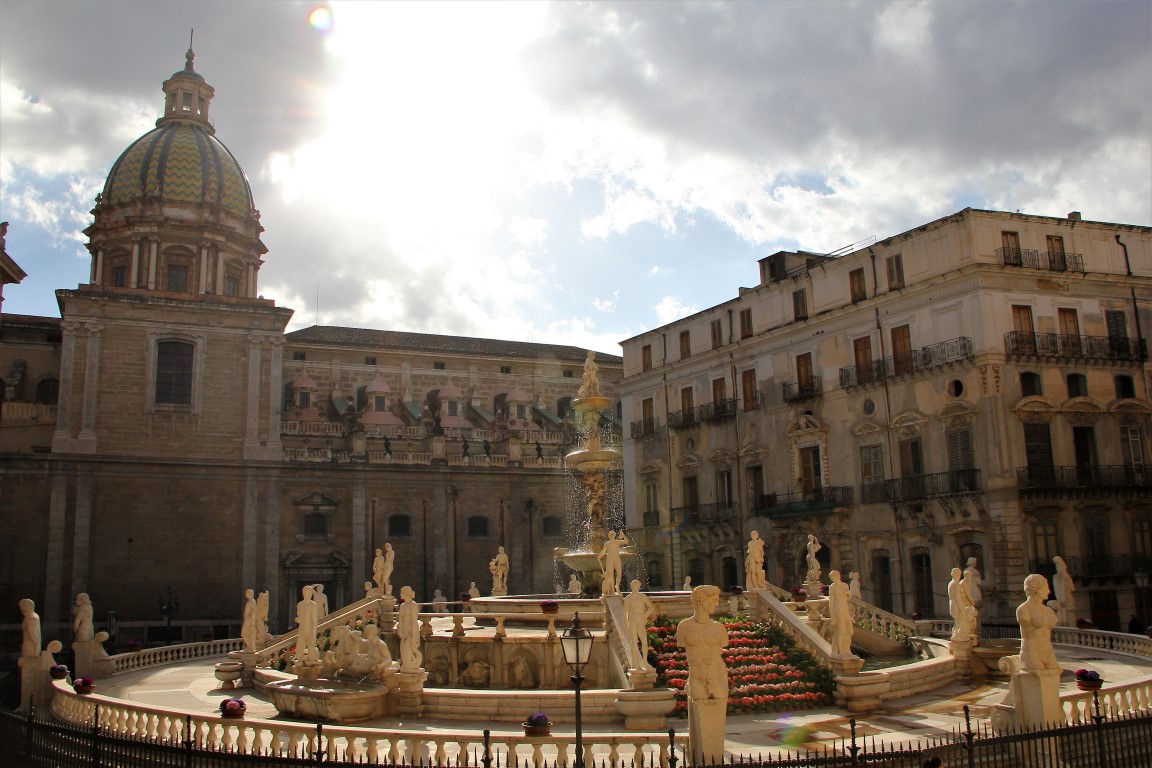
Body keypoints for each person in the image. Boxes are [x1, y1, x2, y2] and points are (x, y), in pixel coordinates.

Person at [1017, 573, 1059, 671]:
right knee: (1037, 679)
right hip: (1032, 653)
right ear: (1036, 588)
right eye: (1046, 588)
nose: (1049, 591)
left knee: (1053, 680)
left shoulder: (1048, 611)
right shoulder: (1023, 609)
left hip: (1048, 652)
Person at [624, 580, 655, 670]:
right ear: (633, 587)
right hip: (632, 621)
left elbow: (651, 607)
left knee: (644, 642)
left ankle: (645, 662)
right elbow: (625, 613)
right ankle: (636, 664)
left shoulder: (642, 597)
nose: (638, 588)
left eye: (638, 586)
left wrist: (645, 616)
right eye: (637, 586)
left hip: (640, 621)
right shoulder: (628, 598)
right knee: (634, 643)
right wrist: (626, 625)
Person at [828, 571, 853, 656]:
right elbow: (831, 602)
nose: (832, 579)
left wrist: (848, 594)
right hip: (837, 608)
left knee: (849, 629)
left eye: (832, 577)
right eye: (831, 578)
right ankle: (840, 650)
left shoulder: (844, 585)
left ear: (837, 576)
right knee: (841, 630)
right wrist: (832, 617)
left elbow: (849, 597)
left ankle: (847, 649)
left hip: (845, 607)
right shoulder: (832, 587)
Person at [398, 585, 422, 671]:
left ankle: (410, 667)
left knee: (408, 651)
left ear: (406, 593)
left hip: (411, 631)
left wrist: (414, 635)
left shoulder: (413, 605)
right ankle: (406, 666)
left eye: (401, 593)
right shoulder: (402, 605)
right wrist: (400, 631)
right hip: (404, 631)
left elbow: (414, 621)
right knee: (403, 652)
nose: (400, 594)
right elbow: (400, 619)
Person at [948, 567, 974, 642]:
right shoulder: (956, 584)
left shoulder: (951, 583)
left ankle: (958, 637)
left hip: (952, 605)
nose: (959, 576)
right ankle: (961, 640)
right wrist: (962, 609)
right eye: (958, 574)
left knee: (958, 624)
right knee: (961, 623)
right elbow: (957, 598)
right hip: (956, 605)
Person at [599, 530, 628, 595]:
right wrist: (600, 556)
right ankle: (612, 590)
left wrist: (623, 535)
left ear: (615, 535)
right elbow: (603, 551)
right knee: (610, 575)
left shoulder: (617, 542)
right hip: (609, 560)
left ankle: (617, 586)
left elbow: (626, 541)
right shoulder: (607, 543)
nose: (611, 535)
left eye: (613, 534)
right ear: (608, 536)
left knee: (619, 574)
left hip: (617, 559)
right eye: (610, 534)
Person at [296, 585, 319, 661]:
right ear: (303, 593)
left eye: (309, 593)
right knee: (299, 649)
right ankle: (300, 660)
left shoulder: (313, 605)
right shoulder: (300, 605)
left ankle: (312, 661)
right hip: (302, 629)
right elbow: (299, 616)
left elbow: (314, 620)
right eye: (306, 592)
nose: (307, 594)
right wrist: (297, 619)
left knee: (311, 649)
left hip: (310, 629)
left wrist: (313, 632)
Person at [1052, 556, 1076, 627]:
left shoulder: (1066, 577)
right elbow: (1072, 588)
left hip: (1068, 600)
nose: (1057, 566)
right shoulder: (1056, 577)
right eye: (1056, 564)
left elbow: (1072, 588)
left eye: (1057, 563)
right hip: (1062, 602)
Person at [241, 589, 258, 653]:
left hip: (250, 619)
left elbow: (254, 611)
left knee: (244, 633)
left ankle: (250, 647)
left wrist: (253, 622)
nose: (246, 594)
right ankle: (250, 647)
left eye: (247, 593)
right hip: (248, 619)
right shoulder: (250, 601)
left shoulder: (252, 601)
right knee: (246, 633)